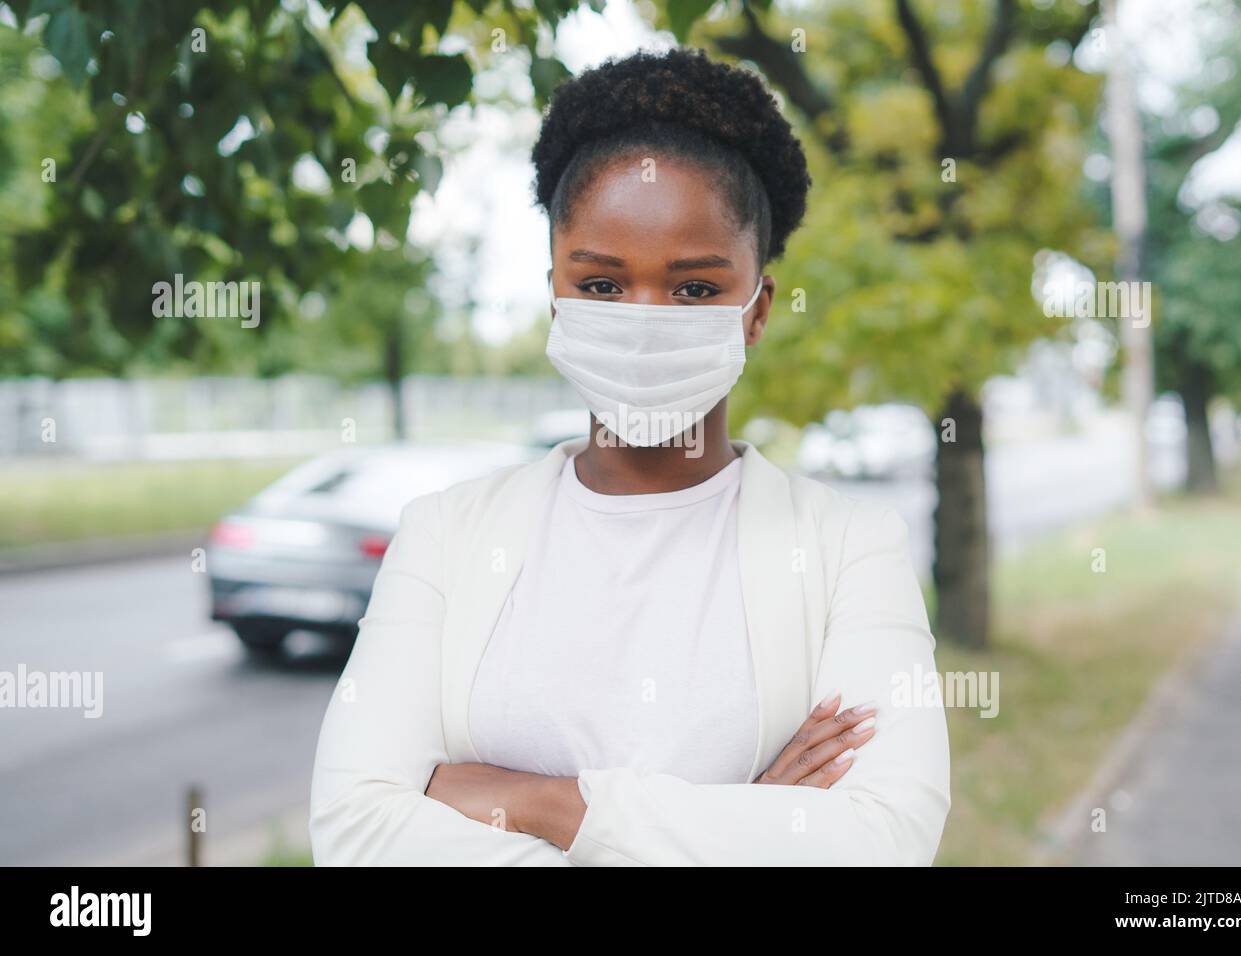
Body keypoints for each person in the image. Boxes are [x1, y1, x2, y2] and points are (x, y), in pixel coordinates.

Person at [309, 47, 950, 866]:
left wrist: (546, 804)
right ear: (555, 291)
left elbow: (884, 840)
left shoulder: (849, 548)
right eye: (604, 285)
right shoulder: (445, 535)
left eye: (693, 289)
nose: (645, 318)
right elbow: (355, 832)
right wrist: (741, 823)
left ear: (756, 311)